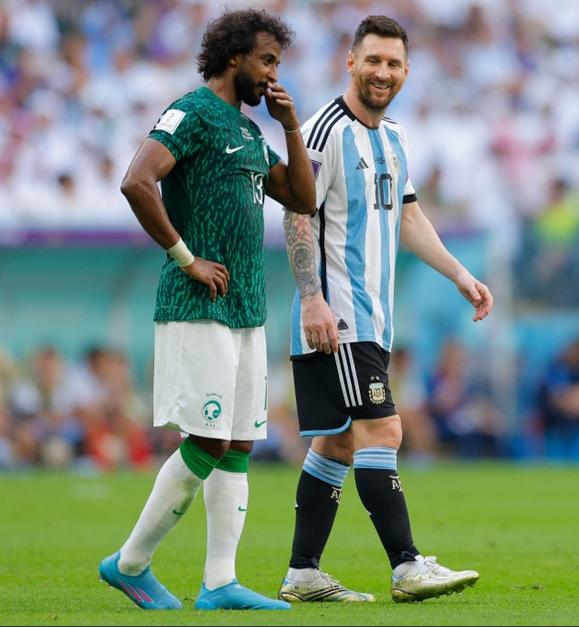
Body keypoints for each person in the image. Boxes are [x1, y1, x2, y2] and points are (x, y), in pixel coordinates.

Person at [98, 8, 316, 611]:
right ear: (233, 57)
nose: (274, 74)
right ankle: (130, 563)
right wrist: (184, 256)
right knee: (210, 438)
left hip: (245, 307)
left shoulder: (249, 131)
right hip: (200, 303)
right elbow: (137, 181)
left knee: (240, 442)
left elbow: (301, 196)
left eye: (279, 63)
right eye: (267, 60)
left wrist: (291, 125)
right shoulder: (191, 112)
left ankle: (220, 582)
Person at [278, 15, 493, 604]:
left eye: (394, 63)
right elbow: (298, 213)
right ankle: (406, 565)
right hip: (339, 314)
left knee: (341, 442)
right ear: (351, 61)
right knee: (384, 429)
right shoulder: (325, 132)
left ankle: (303, 573)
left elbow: (408, 216)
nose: (383, 72)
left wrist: (459, 274)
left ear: (406, 71)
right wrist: (312, 298)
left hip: (374, 317)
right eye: (373, 60)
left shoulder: (394, 137)